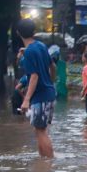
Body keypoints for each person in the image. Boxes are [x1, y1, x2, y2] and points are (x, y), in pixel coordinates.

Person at [18, 19, 56, 158]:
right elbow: (53, 67)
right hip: (49, 93)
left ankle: (49, 163)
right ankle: (43, 163)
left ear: (18, 33)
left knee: (41, 131)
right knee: (39, 129)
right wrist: (51, 81)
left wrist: (26, 100)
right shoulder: (41, 46)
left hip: (40, 96)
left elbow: (34, 77)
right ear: (34, 32)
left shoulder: (29, 53)